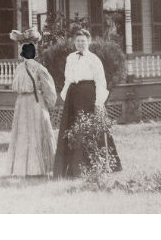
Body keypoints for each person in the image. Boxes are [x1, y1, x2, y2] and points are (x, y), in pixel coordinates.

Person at [52, 28, 122, 178]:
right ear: (74, 42)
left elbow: (101, 81)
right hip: (73, 96)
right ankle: (71, 170)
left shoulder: (94, 59)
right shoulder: (70, 57)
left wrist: (98, 102)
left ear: (89, 42)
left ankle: (95, 165)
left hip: (88, 95)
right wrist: (66, 94)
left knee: (90, 129)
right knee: (71, 129)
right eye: (77, 41)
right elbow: (67, 78)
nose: (80, 44)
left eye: (83, 41)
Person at [7, 28, 57, 176]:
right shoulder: (19, 68)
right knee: (22, 133)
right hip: (22, 102)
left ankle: (41, 169)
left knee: (38, 133)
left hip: (36, 102)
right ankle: (22, 169)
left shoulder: (39, 68)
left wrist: (48, 103)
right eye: (24, 48)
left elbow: (49, 88)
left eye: (30, 48)